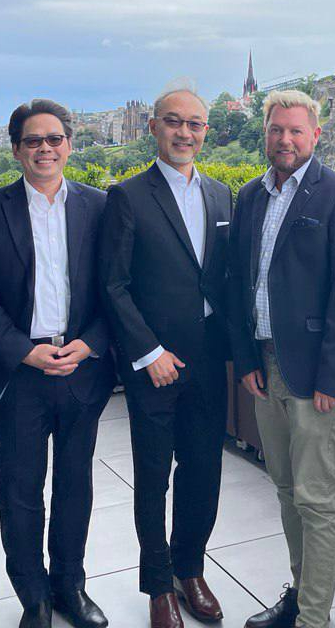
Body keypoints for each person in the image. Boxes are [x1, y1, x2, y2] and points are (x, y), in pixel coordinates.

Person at [0, 99, 115, 628]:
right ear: (17, 149)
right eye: (33, 141)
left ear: (69, 143)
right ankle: (33, 596)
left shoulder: (100, 206)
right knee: (20, 488)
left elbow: (118, 288)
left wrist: (89, 344)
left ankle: (71, 586)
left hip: (82, 366)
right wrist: (23, 349)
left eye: (54, 139)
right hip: (19, 370)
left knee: (75, 484)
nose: (45, 148)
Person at [227, 89, 335, 628]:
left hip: (317, 376)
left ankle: (315, 619)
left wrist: (334, 376)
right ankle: (299, 597)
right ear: (264, 134)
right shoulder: (251, 196)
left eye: (295, 130)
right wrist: (244, 359)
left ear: (315, 134)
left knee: (316, 497)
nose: (284, 140)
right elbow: (237, 284)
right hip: (264, 368)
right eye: (275, 130)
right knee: (286, 489)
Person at [99, 87, 234, 628]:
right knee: (154, 474)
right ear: (153, 127)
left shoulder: (224, 195)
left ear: (206, 131)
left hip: (208, 358)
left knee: (204, 470)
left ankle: (190, 570)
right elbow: (113, 285)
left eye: (195, 124)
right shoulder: (128, 196)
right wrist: (147, 351)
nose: (185, 133)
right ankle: (158, 585)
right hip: (154, 362)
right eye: (174, 122)